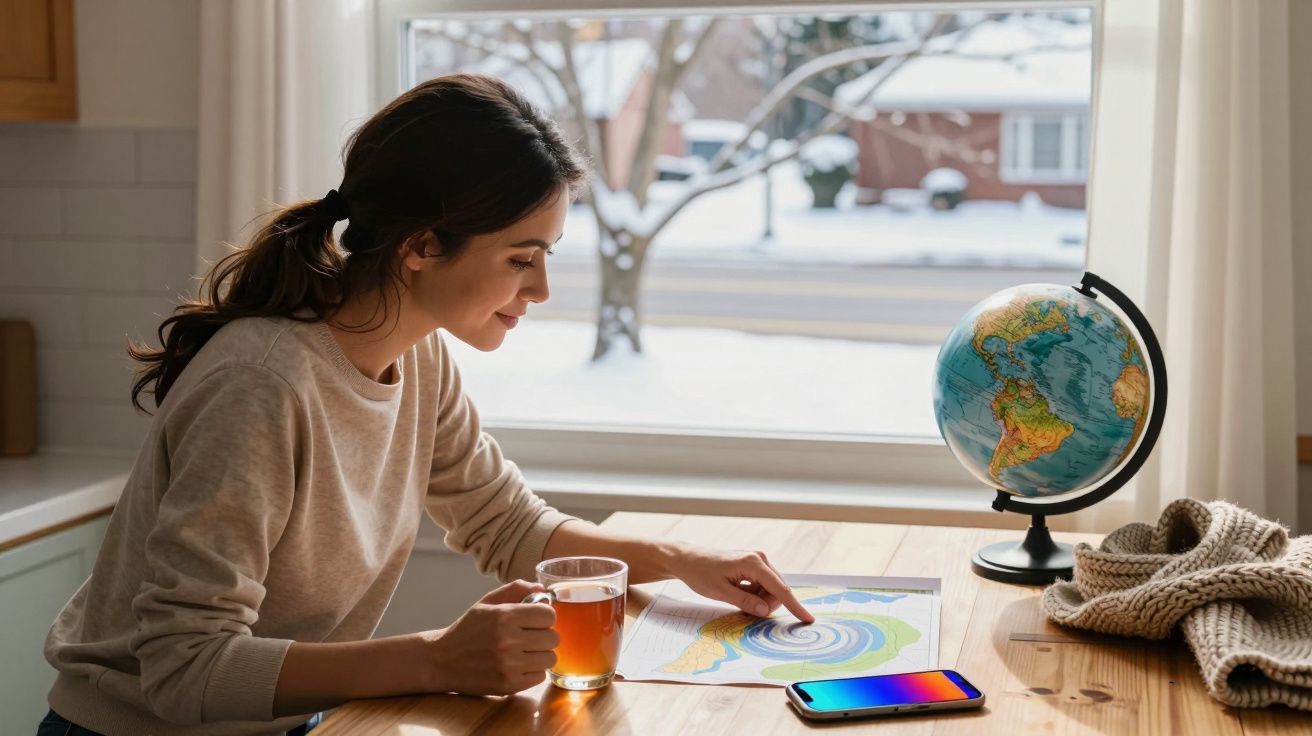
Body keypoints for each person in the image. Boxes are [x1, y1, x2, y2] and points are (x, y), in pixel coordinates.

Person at [37, 73, 814, 736]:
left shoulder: (417, 354)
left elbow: (508, 524)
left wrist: (684, 565)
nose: (540, 290)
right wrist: (438, 658)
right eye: (521, 259)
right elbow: (184, 668)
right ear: (419, 245)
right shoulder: (263, 385)